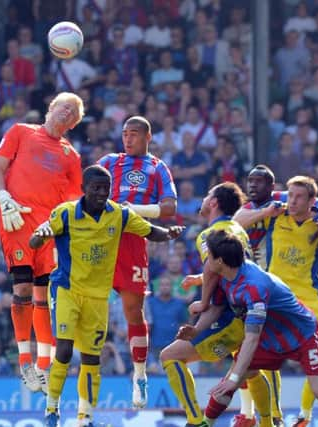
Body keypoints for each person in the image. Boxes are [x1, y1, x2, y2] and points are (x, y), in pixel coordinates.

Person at [29, 165, 184, 427]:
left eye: (106, 188)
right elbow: (35, 240)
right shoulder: (65, 214)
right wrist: (39, 236)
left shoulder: (119, 215)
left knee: (92, 358)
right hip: (68, 289)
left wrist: (168, 234)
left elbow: (149, 230)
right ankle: (51, 409)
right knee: (64, 350)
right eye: (96, 188)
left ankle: (84, 418)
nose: (102, 193)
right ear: (83, 189)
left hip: (98, 298)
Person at [193, 230, 318, 427]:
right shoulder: (224, 276)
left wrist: (234, 378)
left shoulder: (254, 287)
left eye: (208, 255)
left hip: (302, 335)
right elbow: (216, 308)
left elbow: (252, 338)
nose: (206, 260)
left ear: (219, 261)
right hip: (270, 337)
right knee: (231, 380)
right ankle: (205, 423)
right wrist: (195, 328)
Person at [234, 176, 318, 427]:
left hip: (310, 298)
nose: (291, 201)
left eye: (298, 197)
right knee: (261, 359)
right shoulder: (277, 212)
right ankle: (272, 418)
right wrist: (265, 210)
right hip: (276, 297)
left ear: (311, 201)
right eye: (290, 195)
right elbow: (237, 222)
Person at [0, 92, 83, 392]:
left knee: (44, 296)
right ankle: (24, 363)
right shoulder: (20, 132)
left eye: (73, 113)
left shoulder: (72, 156)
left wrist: (61, 225)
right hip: (18, 218)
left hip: (49, 229)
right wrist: (3, 197)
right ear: (51, 107)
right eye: (64, 107)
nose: (66, 113)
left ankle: (44, 366)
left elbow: (74, 199)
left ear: (73, 124)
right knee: (23, 289)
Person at [160, 182, 272, 427]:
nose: (204, 199)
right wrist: (200, 279)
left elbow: (214, 270)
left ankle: (195, 421)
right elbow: (232, 269)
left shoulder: (208, 235)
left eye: (207, 194)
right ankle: (269, 422)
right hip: (250, 309)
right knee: (250, 370)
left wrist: (204, 300)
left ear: (213, 202)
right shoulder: (237, 229)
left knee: (170, 356)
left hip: (229, 316)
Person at [97, 115, 177, 407]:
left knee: (133, 310)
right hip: (101, 237)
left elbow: (170, 207)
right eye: (124, 134)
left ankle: (139, 375)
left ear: (148, 136)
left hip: (132, 239)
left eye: (133, 134)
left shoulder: (157, 167)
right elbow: (84, 191)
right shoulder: (108, 162)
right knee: (88, 306)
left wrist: (136, 210)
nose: (127, 139)